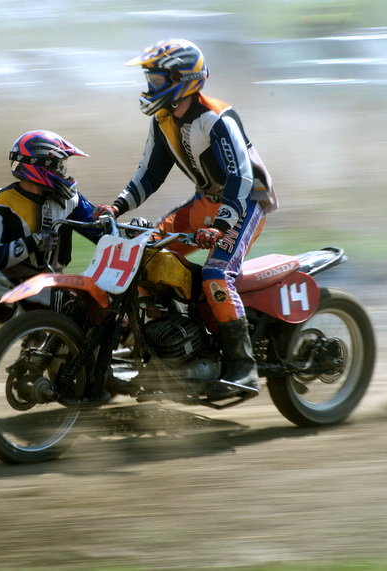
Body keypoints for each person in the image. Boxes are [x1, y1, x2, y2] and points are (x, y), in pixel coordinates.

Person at [94, 39, 278, 393]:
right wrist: (116, 207)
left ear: (184, 79)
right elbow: (150, 173)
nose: (150, 87)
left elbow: (239, 177)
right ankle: (171, 350)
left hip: (245, 203)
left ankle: (243, 366)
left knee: (216, 273)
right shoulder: (163, 120)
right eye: (150, 80)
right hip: (205, 202)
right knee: (146, 259)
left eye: (158, 80)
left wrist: (221, 225)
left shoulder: (217, 117)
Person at [0, 130, 101, 323]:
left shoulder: (70, 199)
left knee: (104, 309)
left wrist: (129, 229)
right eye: (58, 166)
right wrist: (32, 243)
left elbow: (100, 230)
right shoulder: (0, 203)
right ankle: (21, 327)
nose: (63, 172)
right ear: (40, 166)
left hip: (54, 284)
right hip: (15, 285)